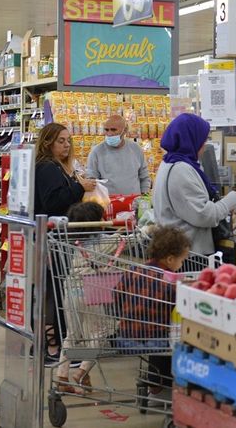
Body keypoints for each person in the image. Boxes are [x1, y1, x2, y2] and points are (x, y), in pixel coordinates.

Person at [35, 123, 96, 366]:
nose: (66, 145)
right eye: (61, 140)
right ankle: (55, 346)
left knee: (54, 289)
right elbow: (53, 201)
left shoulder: (54, 166)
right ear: (48, 142)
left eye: (68, 140)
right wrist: (80, 187)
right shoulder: (47, 167)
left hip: (55, 238)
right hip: (54, 239)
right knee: (56, 291)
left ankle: (54, 345)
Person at [117, 225, 191, 406]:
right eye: (182, 261)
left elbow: (116, 294)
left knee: (157, 331)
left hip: (126, 335)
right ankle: (163, 389)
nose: (181, 266)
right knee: (179, 339)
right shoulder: (169, 283)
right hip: (154, 338)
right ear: (170, 258)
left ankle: (156, 385)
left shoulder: (133, 271)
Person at [152, 113, 236, 255]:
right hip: (188, 255)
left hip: (180, 251)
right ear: (191, 139)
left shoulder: (168, 163)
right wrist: (235, 197)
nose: (204, 144)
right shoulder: (180, 170)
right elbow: (205, 215)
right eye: (203, 139)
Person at [55, 201, 118, 395]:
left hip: (71, 287)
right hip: (92, 288)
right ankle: (82, 370)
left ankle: (62, 375)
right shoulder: (104, 242)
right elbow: (131, 239)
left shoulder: (75, 242)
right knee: (99, 333)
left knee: (72, 335)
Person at [85, 114, 151, 195]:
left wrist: (145, 195)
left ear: (125, 130)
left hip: (133, 203)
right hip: (108, 204)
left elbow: (144, 176)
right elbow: (91, 178)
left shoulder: (136, 149)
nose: (109, 133)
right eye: (106, 130)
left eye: (113, 130)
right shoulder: (96, 151)